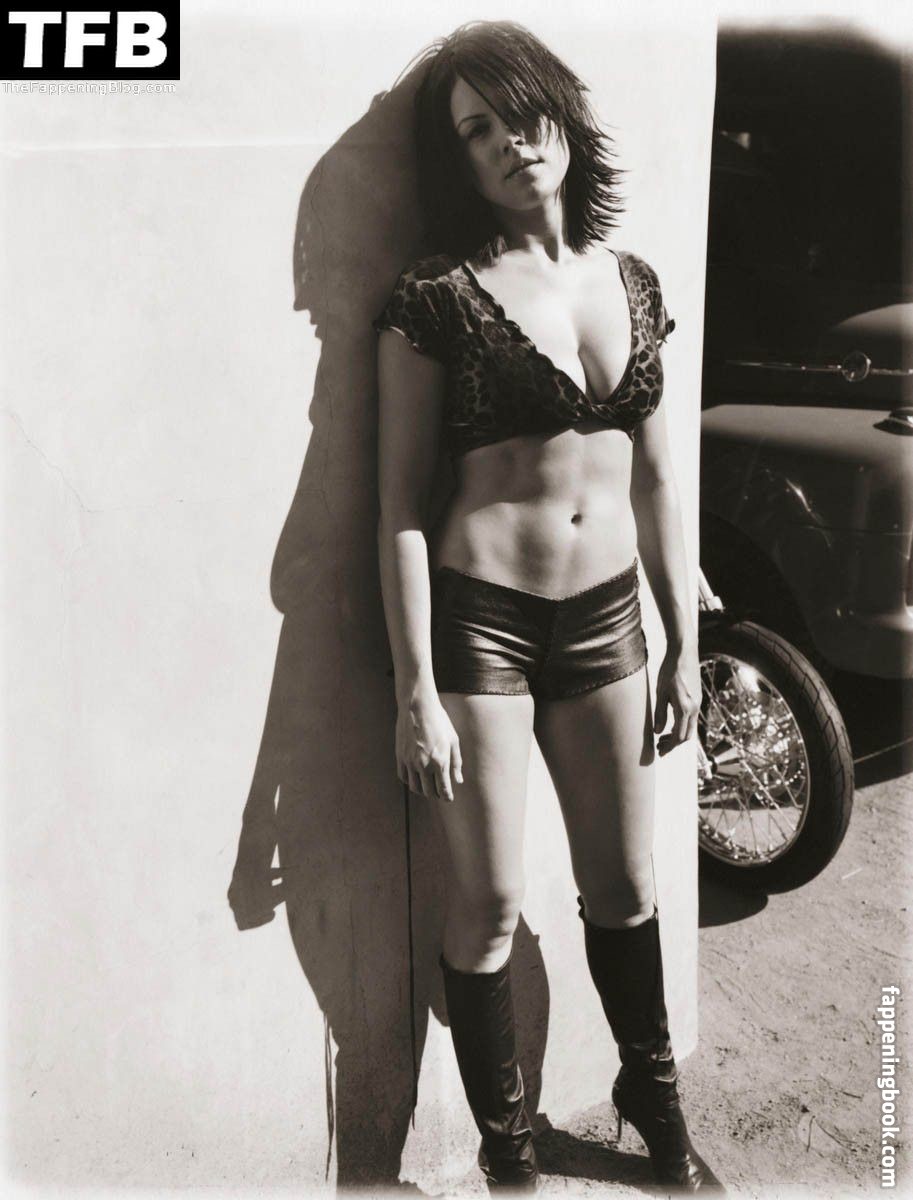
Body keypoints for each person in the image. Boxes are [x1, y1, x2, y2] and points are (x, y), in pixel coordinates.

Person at [373, 20, 724, 1196]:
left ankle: (653, 1105)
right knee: (488, 903)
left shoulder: (633, 282)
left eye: (518, 115)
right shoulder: (436, 296)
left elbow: (660, 479)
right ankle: (509, 1155)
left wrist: (682, 641)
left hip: (609, 621)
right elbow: (400, 507)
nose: (505, 144)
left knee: (624, 887)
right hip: (481, 626)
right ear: (458, 160)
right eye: (474, 131)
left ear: (561, 117)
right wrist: (415, 690)